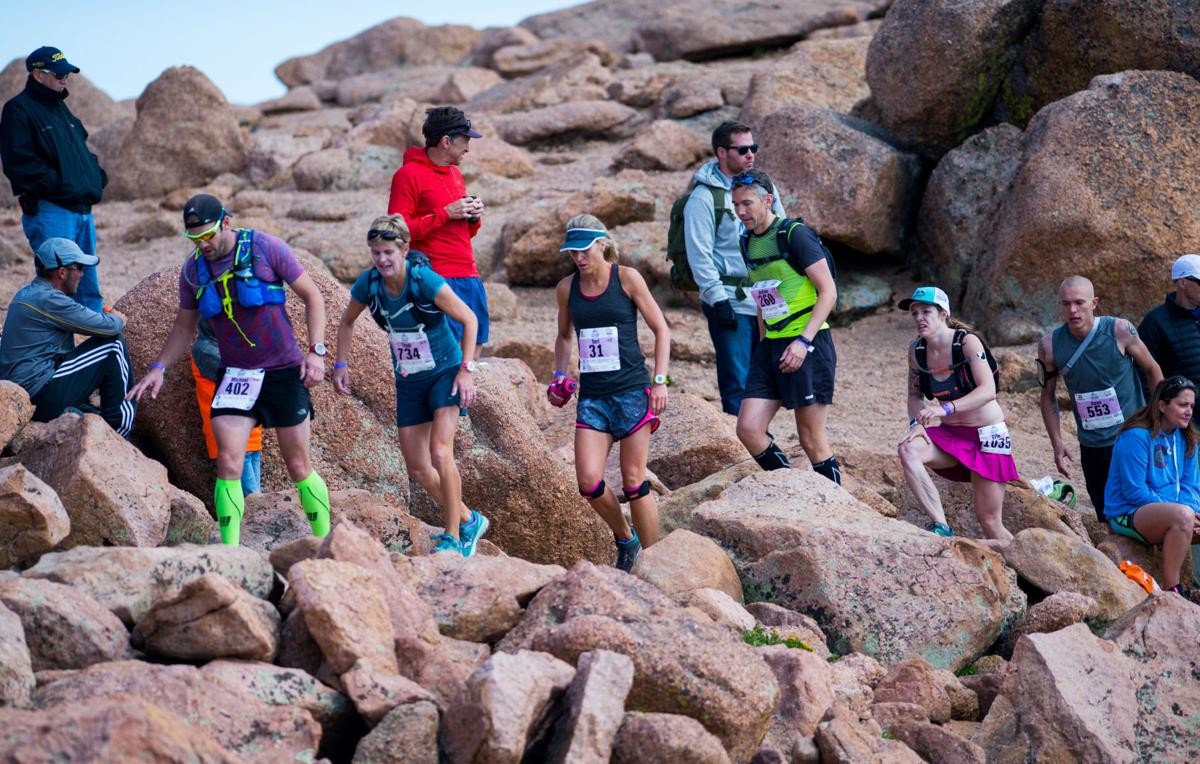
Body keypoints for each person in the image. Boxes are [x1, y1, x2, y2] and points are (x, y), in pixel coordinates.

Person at [126, 194, 330, 546]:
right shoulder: (193, 271)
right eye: (194, 238)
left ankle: (324, 542)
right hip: (237, 376)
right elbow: (184, 326)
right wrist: (159, 367)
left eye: (207, 235)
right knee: (228, 465)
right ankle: (231, 550)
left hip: (282, 371)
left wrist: (317, 352)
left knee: (299, 466)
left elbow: (313, 296)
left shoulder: (266, 248)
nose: (202, 245)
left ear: (226, 223)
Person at [332, 215, 489, 557]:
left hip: (444, 373)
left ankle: (453, 537)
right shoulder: (369, 284)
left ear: (404, 250)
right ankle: (468, 519)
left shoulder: (424, 281)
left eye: (388, 252)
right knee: (418, 467)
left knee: (440, 452)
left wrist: (467, 371)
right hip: (409, 380)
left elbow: (469, 319)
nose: (382, 259)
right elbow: (346, 322)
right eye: (376, 252)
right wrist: (341, 364)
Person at [550, 214, 670, 572]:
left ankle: (655, 565)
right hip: (593, 398)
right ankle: (626, 539)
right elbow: (564, 336)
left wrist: (660, 381)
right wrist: (558, 375)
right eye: (572, 252)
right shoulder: (566, 288)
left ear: (602, 244)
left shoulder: (627, 278)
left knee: (634, 479)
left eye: (584, 250)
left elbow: (662, 329)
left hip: (632, 391)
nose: (578, 258)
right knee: (588, 482)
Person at [729, 169, 841, 484]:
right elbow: (762, 294)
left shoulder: (795, 234)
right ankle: (789, 488)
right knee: (748, 428)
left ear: (767, 200)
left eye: (747, 203)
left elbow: (828, 292)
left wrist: (803, 342)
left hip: (808, 342)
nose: (741, 211)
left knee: (810, 438)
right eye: (735, 204)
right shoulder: (746, 241)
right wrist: (763, 341)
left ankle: (834, 505)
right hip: (772, 345)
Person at [1037, 276, 1161, 522]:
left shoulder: (1119, 330)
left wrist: (1158, 418)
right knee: (1107, 514)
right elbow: (1047, 395)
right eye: (1066, 304)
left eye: (1079, 302)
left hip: (1133, 435)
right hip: (1093, 444)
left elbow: (1152, 369)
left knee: (1146, 505)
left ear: (1094, 303)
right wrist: (1057, 443)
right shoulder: (1049, 345)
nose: (1073, 310)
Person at [683, 120, 785, 416]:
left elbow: (780, 232)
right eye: (742, 149)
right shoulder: (704, 198)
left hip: (767, 295)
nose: (750, 154)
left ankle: (759, 435)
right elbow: (699, 254)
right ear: (721, 152)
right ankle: (738, 440)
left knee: (768, 374)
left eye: (753, 147)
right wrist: (718, 299)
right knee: (737, 380)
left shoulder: (765, 188)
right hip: (730, 299)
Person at [896, 286, 1014, 541]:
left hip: (987, 434)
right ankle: (941, 526)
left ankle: (1024, 562)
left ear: (943, 314)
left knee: (990, 522)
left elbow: (988, 390)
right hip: (951, 435)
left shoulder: (967, 342)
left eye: (925, 311)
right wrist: (917, 424)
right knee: (908, 448)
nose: (919, 318)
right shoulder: (916, 351)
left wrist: (945, 408)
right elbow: (914, 396)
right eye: (914, 313)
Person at [0, 46, 107, 311]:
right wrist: (61, 185)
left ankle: (96, 338)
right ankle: (55, 341)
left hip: (82, 211)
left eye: (66, 73)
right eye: (59, 74)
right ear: (38, 74)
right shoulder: (18, 109)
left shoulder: (61, 110)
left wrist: (95, 178)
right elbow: (19, 164)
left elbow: (81, 152)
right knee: (57, 290)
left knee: (88, 287)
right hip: (51, 211)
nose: (65, 79)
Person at [0, 238, 134, 435]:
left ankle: (90, 417)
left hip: (25, 396)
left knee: (92, 409)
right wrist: (117, 319)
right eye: (79, 267)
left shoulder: (25, 295)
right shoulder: (49, 299)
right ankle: (120, 431)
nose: (82, 274)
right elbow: (108, 327)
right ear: (62, 272)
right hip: (40, 395)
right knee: (113, 345)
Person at [387, 106, 488, 359]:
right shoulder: (408, 175)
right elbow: (396, 233)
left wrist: (473, 216)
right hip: (436, 276)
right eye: (465, 140)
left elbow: (462, 233)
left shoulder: (455, 174)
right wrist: (445, 213)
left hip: (468, 274)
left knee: (474, 350)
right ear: (446, 141)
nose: (468, 148)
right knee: (446, 358)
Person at [1103, 376, 1200, 595]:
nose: (1189, 411)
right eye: (1182, 405)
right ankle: (1172, 591)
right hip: (1127, 513)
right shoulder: (1135, 436)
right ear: (1162, 405)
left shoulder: (1187, 439)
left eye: (1192, 406)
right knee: (1183, 515)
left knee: (1186, 514)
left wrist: (1193, 512)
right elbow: (1134, 491)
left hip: (1175, 513)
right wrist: (1180, 511)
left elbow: (1191, 486)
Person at [1137, 253, 1200, 585]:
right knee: (1187, 487)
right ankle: (1190, 576)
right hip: (1181, 425)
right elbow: (1143, 373)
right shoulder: (1155, 322)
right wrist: (1155, 419)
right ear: (1183, 283)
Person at [191, 319, 263, 495]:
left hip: (251, 436)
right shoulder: (205, 350)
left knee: (256, 498)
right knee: (252, 498)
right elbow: (244, 375)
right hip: (230, 439)